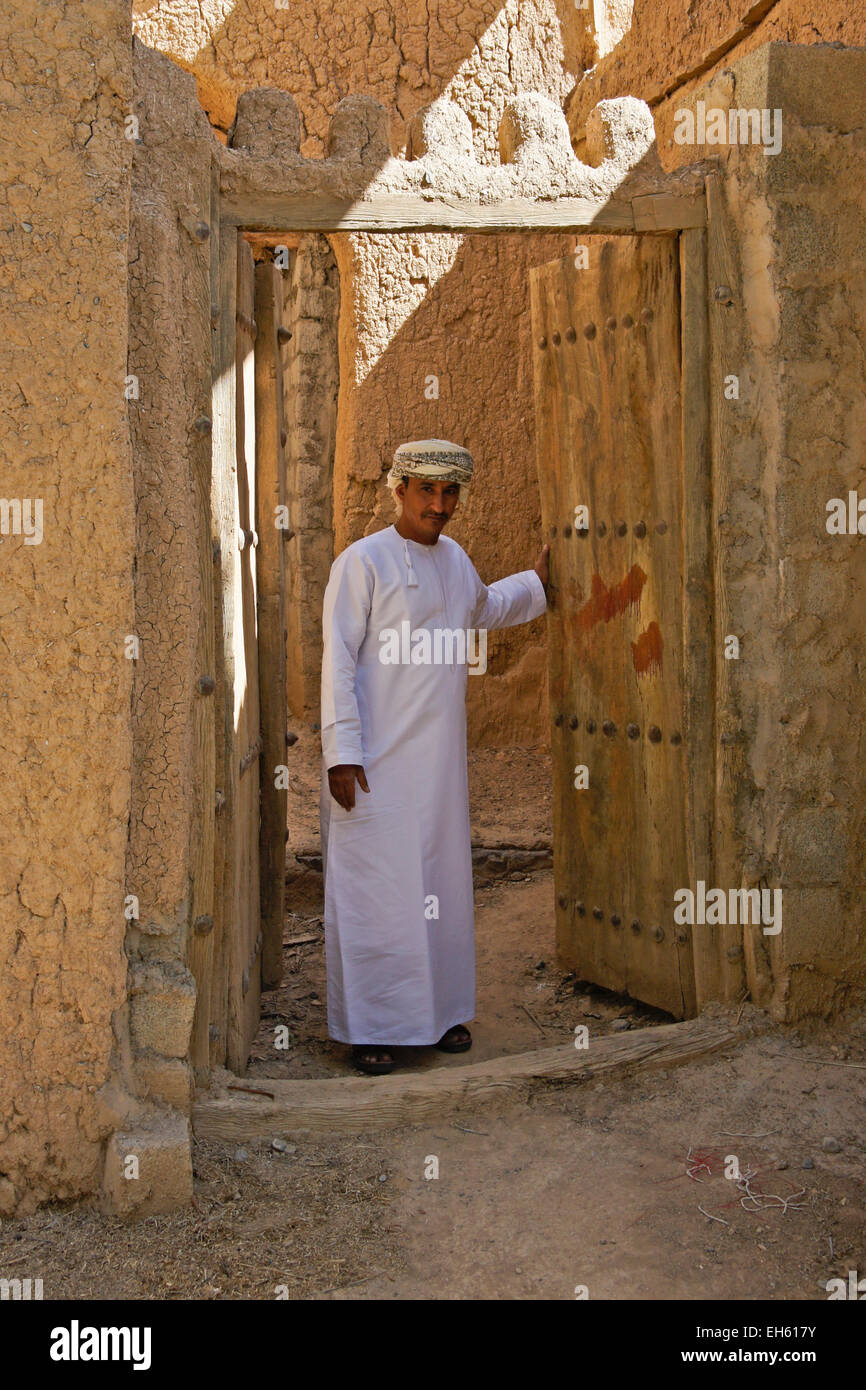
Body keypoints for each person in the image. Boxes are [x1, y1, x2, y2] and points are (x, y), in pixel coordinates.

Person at [320, 438, 549, 1074]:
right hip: (373, 763)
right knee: (379, 891)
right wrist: (342, 751)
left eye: (450, 493)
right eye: (427, 490)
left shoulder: (453, 561)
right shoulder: (362, 563)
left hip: (438, 768)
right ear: (398, 490)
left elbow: (486, 607)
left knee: (439, 886)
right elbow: (336, 658)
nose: (440, 504)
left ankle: (439, 1014)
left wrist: (540, 582)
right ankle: (371, 1027)